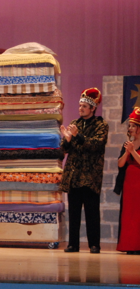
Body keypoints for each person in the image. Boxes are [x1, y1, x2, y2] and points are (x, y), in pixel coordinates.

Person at [59, 88, 108, 254]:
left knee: (92, 212)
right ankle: (73, 244)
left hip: (90, 176)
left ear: (93, 108)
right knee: (73, 212)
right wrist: (66, 140)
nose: (80, 108)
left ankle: (94, 244)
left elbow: (96, 145)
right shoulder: (75, 124)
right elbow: (63, 151)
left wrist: (77, 136)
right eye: (80, 105)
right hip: (74, 175)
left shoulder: (101, 125)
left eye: (84, 106)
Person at [114, 107, 140, 254]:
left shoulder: (133, 146)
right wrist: (127, 151)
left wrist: (133, 151)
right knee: (128, 214)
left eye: (133, 125)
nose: (130, 128)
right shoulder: (127, 144)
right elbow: (120, 164)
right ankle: (129, 245)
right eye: (129, 125)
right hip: (129, 184)